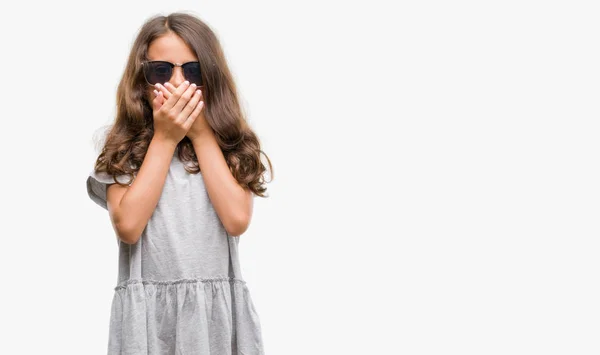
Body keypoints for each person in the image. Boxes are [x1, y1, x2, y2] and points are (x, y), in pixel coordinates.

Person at [85, 12, 272, 355]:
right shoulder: (124, 149)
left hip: (215, 319)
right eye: (161, 70)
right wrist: (165, 139)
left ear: (210, 77)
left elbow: (236, 219)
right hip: (149, 323)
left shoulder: (230, 145)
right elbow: (128, 226)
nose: (177, 83)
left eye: (192, 71)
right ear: (142, 79)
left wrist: (200, 134)